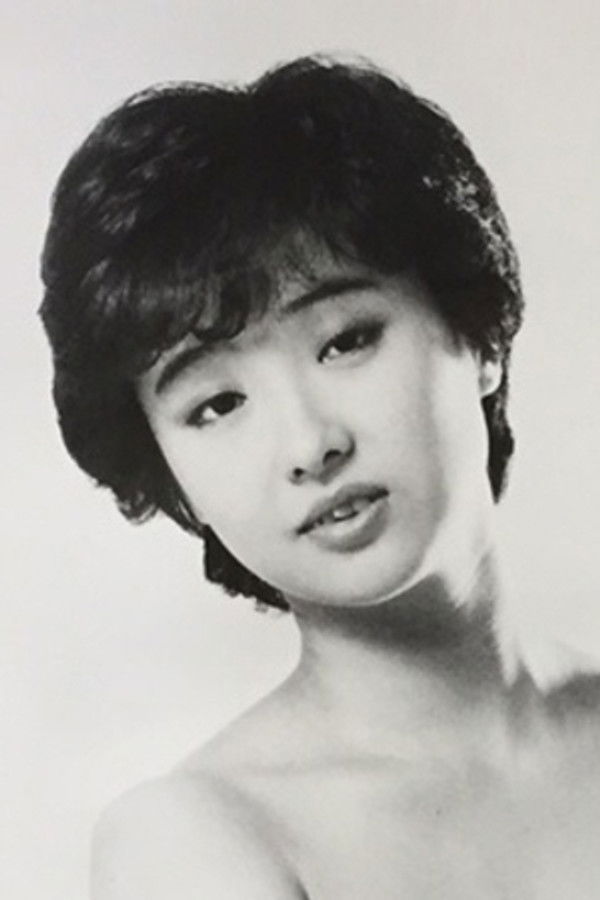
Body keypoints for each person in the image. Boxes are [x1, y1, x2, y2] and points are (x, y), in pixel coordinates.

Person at [40, 55, 600, 899]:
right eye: (217, 404)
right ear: (173, 481)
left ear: (478, 333)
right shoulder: (192, 841)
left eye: (345, 341)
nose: (309, 444)